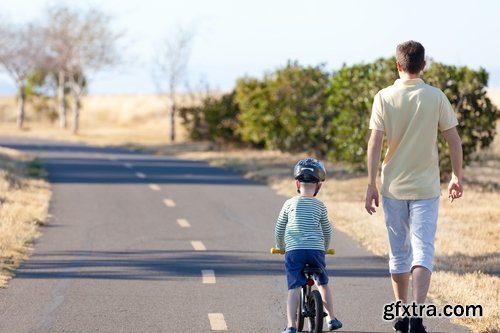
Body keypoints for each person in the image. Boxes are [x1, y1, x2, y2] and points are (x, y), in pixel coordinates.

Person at [365, 40, 463, 333]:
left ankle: (400, 312)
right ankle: (417, 317)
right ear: (424, 65)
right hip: (426, 188)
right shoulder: (436, 97)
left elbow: (375, 143)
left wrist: (371, 184)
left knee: (399, 253)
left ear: (398, 65)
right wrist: (456, 176)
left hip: (393, 187)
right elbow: (454, 140)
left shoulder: (383, 97)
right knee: (423, 251)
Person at [275, 158, 343, 333]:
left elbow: (279, 228)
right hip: (316, 250)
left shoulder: (289, 203)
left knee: (294, 287)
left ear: (297, 183)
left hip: (294, 251)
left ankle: (291, 325)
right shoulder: (320, 206)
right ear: (319, 186)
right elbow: (327, 230)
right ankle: (332, 319)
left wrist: (280, 246)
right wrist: (325, 248)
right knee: (323, 283)